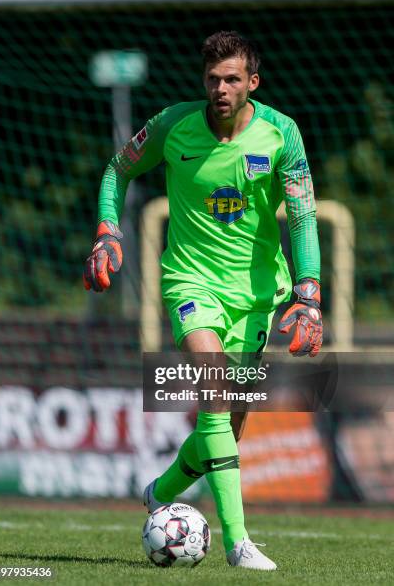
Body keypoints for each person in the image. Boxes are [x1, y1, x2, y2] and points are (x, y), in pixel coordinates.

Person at [83, 30, 322, 570]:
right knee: (213, 394)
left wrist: (308, 293)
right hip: (190, 283)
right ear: (203, 81)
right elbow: (117, 170)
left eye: (232, 79)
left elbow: (304, 214)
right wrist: (107, 229)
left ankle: (161, 491)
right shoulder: (172, 124)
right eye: (213, 78)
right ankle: (239, 544)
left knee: (229, 424)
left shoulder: (282, 134)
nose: (221, 88)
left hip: (257, 296)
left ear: (251, 83)